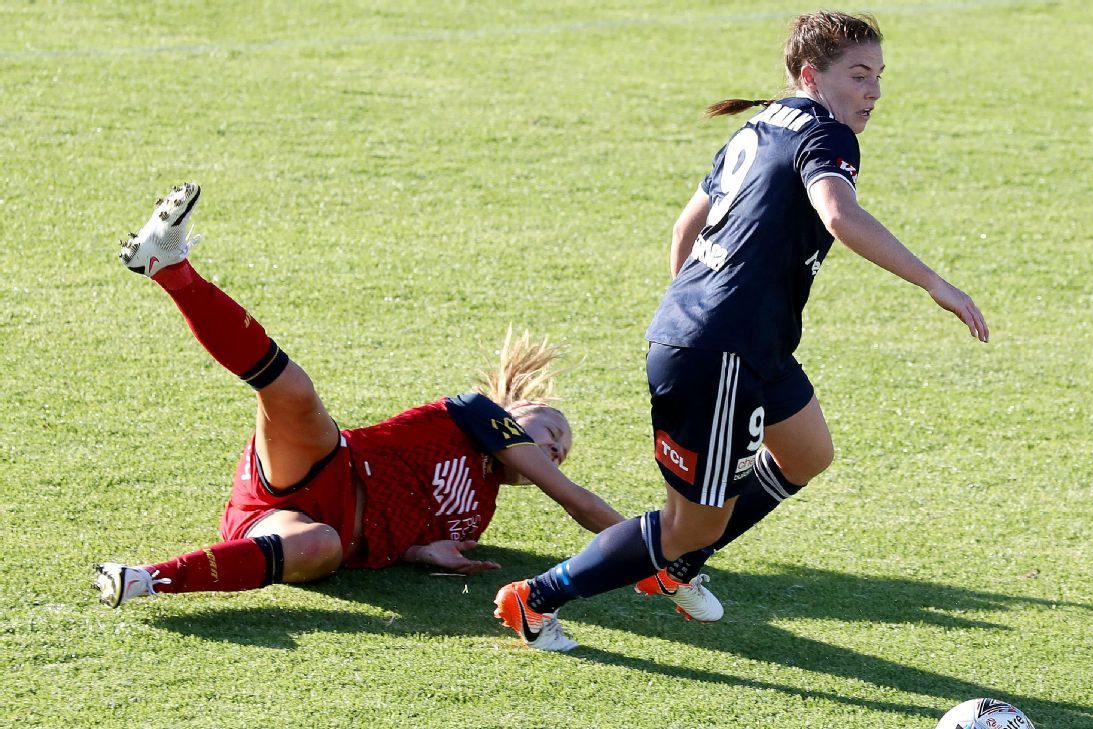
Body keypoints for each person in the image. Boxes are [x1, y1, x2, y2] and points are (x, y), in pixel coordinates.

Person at [494, 10, 988, 651]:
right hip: (721, 351)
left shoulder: (760, 125)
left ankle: (675, 567)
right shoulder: (828, 134)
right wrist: (934, 283)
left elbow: (685, 228)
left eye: (879, 77)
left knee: (808, 453)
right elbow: (839, 216)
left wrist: (692, 306)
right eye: (859, 76)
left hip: (745, 343)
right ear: (811, 75)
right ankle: (536, 599)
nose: (873, 92)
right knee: (689, 525)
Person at [94, 183, 622, 646]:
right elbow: (572, 499)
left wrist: (420, 553)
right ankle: (171, 269)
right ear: (516, 410)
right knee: (294, 393)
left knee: (321, 545)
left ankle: (143, 577)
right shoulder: (476, 413)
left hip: (314, 529)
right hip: (330, 465)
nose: (554, 451)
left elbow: (404, 530)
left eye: (562, 451)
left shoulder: (480, 514)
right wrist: (659, 547)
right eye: (551, 431)